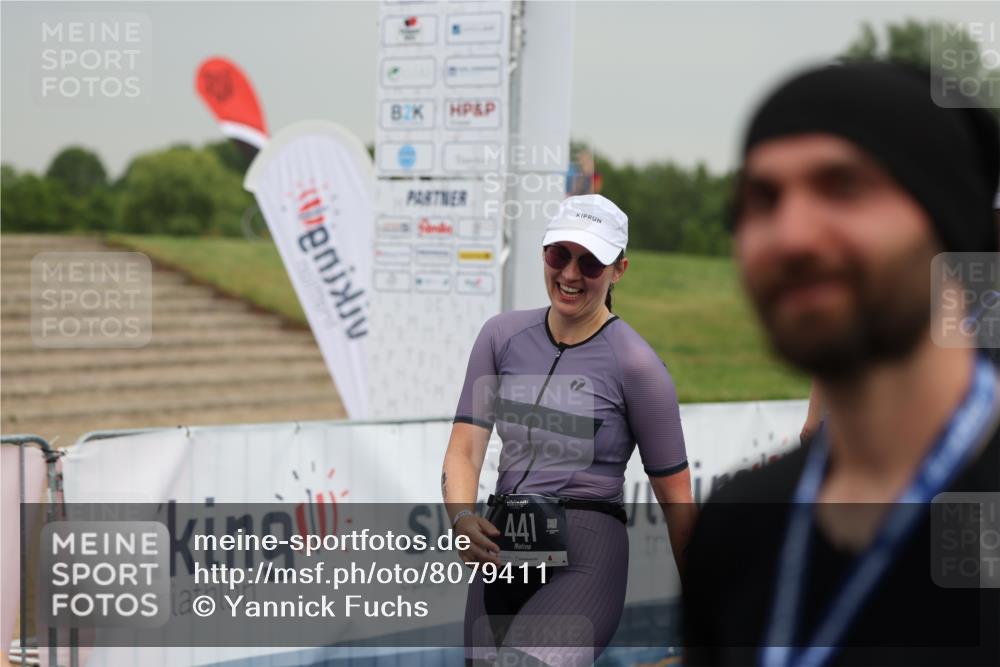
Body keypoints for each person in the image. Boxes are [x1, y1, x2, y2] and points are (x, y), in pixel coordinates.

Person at [682, 62, 1000, 666]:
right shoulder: (739, 528)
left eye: (844, 188)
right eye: (762, 199)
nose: (792, 235)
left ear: (948, 222)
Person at [442, 194, 696, 666]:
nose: (570, 275)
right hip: (502, 550)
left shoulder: (638, 366)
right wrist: (460, 517)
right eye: (559, 255)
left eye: (591, 263)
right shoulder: (500, 336)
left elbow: (677, 502)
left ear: (619, 269)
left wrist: (711, 624)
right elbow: (464, 450)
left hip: (586, 559)